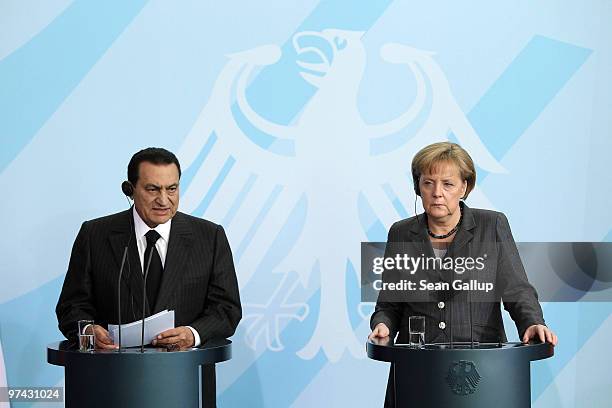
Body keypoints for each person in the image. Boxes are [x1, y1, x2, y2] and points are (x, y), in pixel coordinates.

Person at [368, 142, 557, 407]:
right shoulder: (400, 233)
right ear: (417, 187)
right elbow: (389, 303)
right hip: (417, 370)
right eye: (428, 183)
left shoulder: (492, 225)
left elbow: (517, 290)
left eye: (447, 184)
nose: (437, 193)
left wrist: (532, 323)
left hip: (482, 371)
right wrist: (383, 323)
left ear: (464, 188)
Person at [56, 147, 241, 402]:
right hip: (108, 383)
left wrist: (192, 333)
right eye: (153, 189)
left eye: (172, 189)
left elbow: (226, 309)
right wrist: (88, 330)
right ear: (130, 189)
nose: (164, 200)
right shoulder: (95, 235)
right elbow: (71, 306)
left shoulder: (209, 237)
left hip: (183, 384)